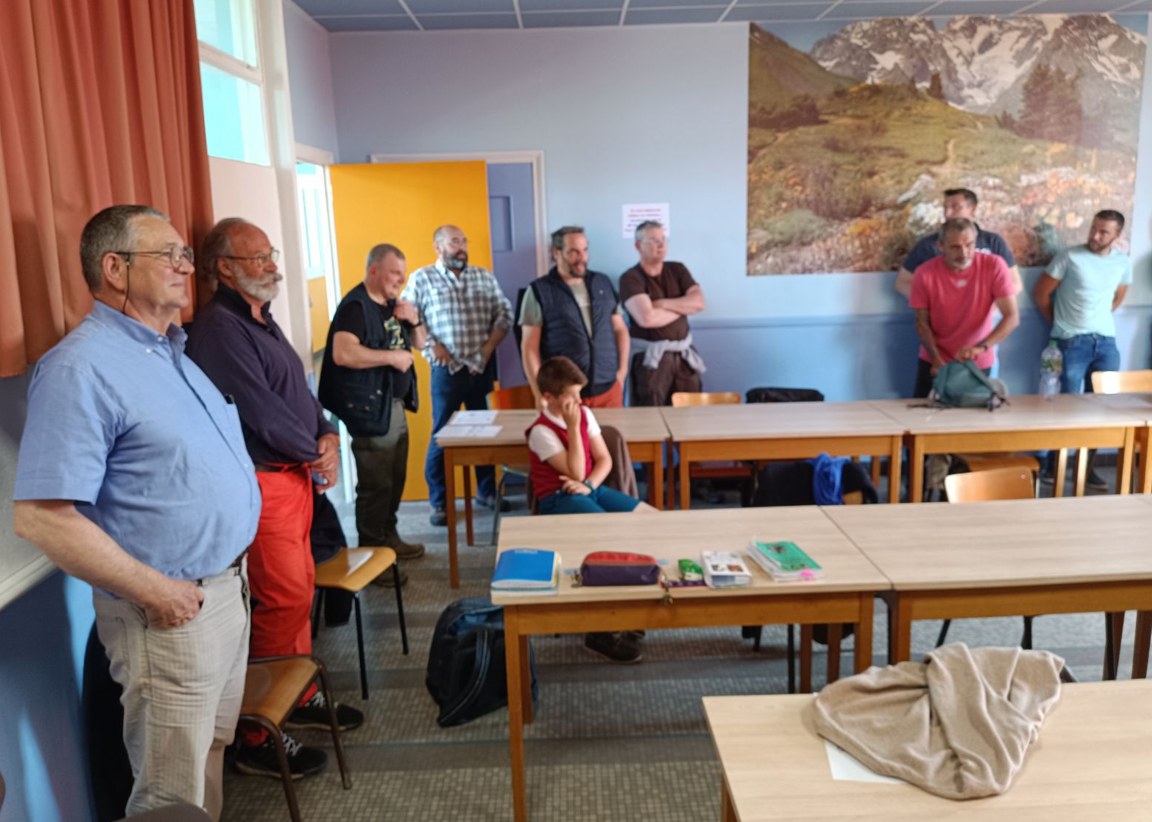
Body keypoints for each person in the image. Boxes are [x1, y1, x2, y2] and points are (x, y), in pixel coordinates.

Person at [13, 205, 260, 819]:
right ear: (115, 268)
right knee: (169, 797)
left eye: (185, 255)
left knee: (208, 759)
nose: (186, 267)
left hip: (227, 592)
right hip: (171, 616)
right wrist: (158, 592)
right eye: (169, 255)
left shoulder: (170, 350)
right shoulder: (79, 367)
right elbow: (42, 517)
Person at [186, 217, 361, 779]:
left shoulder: (260, 318)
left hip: (295, 475)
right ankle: (258, 733)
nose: (271, 265)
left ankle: (299, 693)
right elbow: (257, 411)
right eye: (257, 257)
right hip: (265, 481)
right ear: (224, 269)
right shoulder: (217, 328)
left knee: (299, 590)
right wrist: (316, 452)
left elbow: (299, 391)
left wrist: (328, 433)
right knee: (280, 598)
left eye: (270, 253)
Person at [526, 356, 656, 662]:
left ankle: (631, 606)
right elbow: (574, 470)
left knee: (651, 519)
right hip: (558, 499)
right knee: (610, 536)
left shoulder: (584, 413)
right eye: (570, 396)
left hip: (587, 489)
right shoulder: (540, 432)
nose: (579, 400)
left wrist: (590, 485)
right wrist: (572, 429)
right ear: (549, 398)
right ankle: (602, 630)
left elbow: (604, 460)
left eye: (579, 393)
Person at [319, 244, 425, 577]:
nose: (401, 280)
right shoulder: (355, 306)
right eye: (395, 273)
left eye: (403, 274)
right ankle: (372, 558)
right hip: (370, 409)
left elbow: (420, 344)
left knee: (394, 479)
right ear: (374, 270)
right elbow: (343, 353)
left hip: (394, 405)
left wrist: (415, 319)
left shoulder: (393, 306)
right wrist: (391, 358)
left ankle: (389, 540)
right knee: (376, 484)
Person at [402, 224, 514, 527]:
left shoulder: (483, 276)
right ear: (438, 247)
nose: (462, 246)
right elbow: (407, 316)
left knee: (485, 432)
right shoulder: (421, 278)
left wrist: (488, 350)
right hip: (446, 371)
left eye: (464, 240)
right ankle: (439, 502)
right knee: (442, 435)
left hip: (480, 367)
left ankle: (487, 492)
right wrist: (430, 343)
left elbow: (505, 314)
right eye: (454, 241)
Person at [1033, 209, 1132, 489]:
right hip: (1069, 342)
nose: (1095, 235)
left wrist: (1098, 321)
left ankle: (1086, 469)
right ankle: (1053, 466)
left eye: (1103, 232)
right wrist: (1061, 325)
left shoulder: (1122, 262)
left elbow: (1119, 296)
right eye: (1093, 228)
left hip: (1106, 343)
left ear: (1117, 236)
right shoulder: (1070, 257)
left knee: (1102, 407)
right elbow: (1040, 294)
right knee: (1064, 405)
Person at [909, 217, 1021, 398]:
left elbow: (1012, 317)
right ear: (940, 246)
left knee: (972, 418)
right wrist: (936, 358)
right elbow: (922, 323)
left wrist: (981, 348)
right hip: (935, 358)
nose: (964, 253)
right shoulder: (924, 273)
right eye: (955, 247)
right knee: (921, 416)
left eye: (969, 245)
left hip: (977, 358)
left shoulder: (994, 265)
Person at [521, 226, 630, 407]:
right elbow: (529, 347)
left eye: (585, 250)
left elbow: (620, 329)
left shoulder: (602, 283)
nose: (581, 257)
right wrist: (539, 392)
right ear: (556, 253)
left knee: (611, 436)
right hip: (564, 393)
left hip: (609, 390)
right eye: (573, 252)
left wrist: (622, 373)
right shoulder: (539, 291)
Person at [619, 220, 706, 405]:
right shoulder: (630, 278)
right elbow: (647, 318)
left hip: (684, 358)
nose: (660, 245)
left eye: (663, 239)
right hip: (651, 362)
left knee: (691, 415)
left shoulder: (678, 269)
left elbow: (699, 303)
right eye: (653, 240)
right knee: (651, 417)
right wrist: (683, 308)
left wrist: (662, 304)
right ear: (638, 246)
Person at [895, 188, 1021, 298]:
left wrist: (991, 306)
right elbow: (903, 282)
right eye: (945, 208)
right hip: (942, 319)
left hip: (991, 319)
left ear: (972, 209)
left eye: (955, 207)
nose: (947, 213)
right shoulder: (928, 245)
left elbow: (1015, 283)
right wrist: (932, 302)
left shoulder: (993, 242)